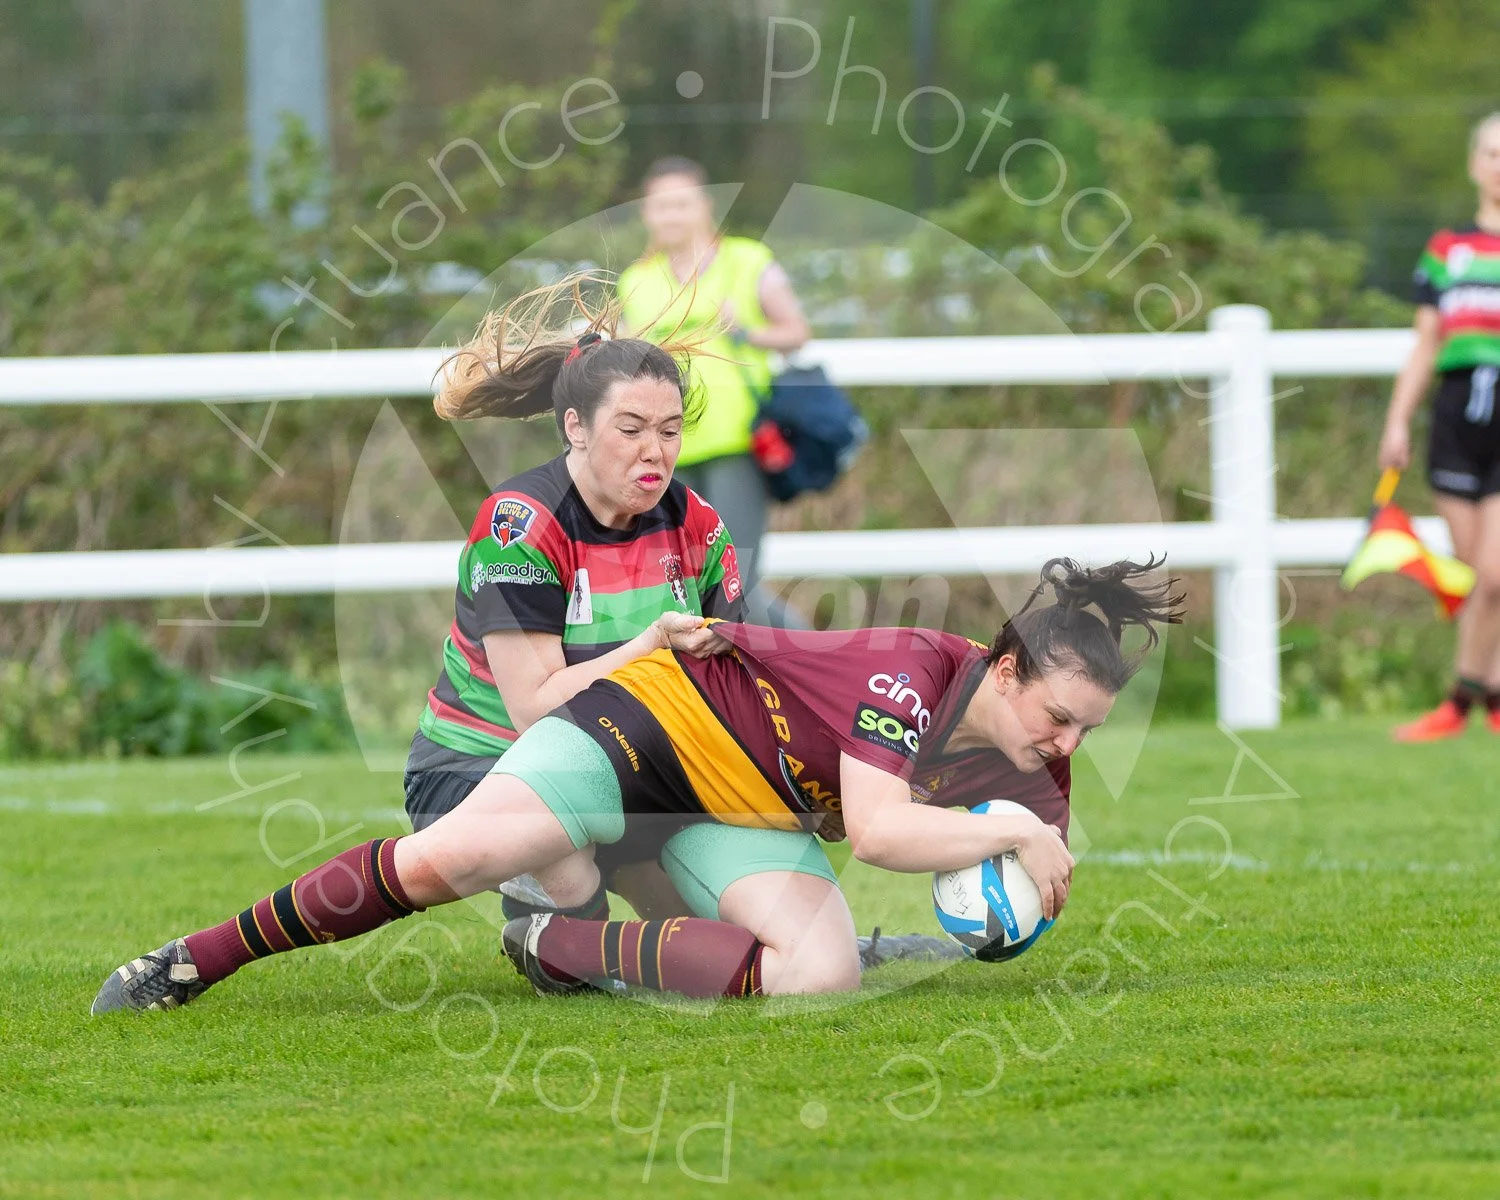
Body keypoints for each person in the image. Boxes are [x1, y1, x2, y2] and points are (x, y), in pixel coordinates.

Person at [92, 558, 1182, 1011]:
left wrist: (1011, 903)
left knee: (822, 972)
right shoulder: (910, 669)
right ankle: (190, 961)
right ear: (1005, 669)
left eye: (1087, 730)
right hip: (648, 729)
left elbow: (1008, 911)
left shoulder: (1031, 761)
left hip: (731, 811)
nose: (1068, 746)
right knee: (448, 860)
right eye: (1058, 717)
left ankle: (555, 941)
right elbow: (884, 835)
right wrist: (1010, 835)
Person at [398, 274, 744, 924]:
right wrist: (650, 645)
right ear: (576, 428)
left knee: (724, 928)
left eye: (670, 431)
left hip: (615, 759)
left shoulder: (697, 523)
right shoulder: (519, 525)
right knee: (570, 877)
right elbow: (535, 708)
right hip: (478, 766)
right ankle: (554, 926)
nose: (655, 452)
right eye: (631, 429)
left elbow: (730, 681)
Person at [618, 157, 811, 626]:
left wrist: (744, 331)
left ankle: (807, 654)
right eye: (661, 205)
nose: (672, 215)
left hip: (737, 443)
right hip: (666, 451)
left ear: (704, 206)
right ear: (646, 213)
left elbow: (796, 332)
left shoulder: (748, 262)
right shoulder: (635, 281)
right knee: (686, 585)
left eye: (681, 203)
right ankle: (807, 649)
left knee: (735, 581)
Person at [1381, 113, 1500, 742]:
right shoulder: (1446, 249)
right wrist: (1397, 420)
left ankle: (1459, 701)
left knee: (1496, 574)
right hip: (1456, 421)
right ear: (1474, 163)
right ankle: (1492, 698)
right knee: (1475, 578)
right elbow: (1426, 344)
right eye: (1492, 153)